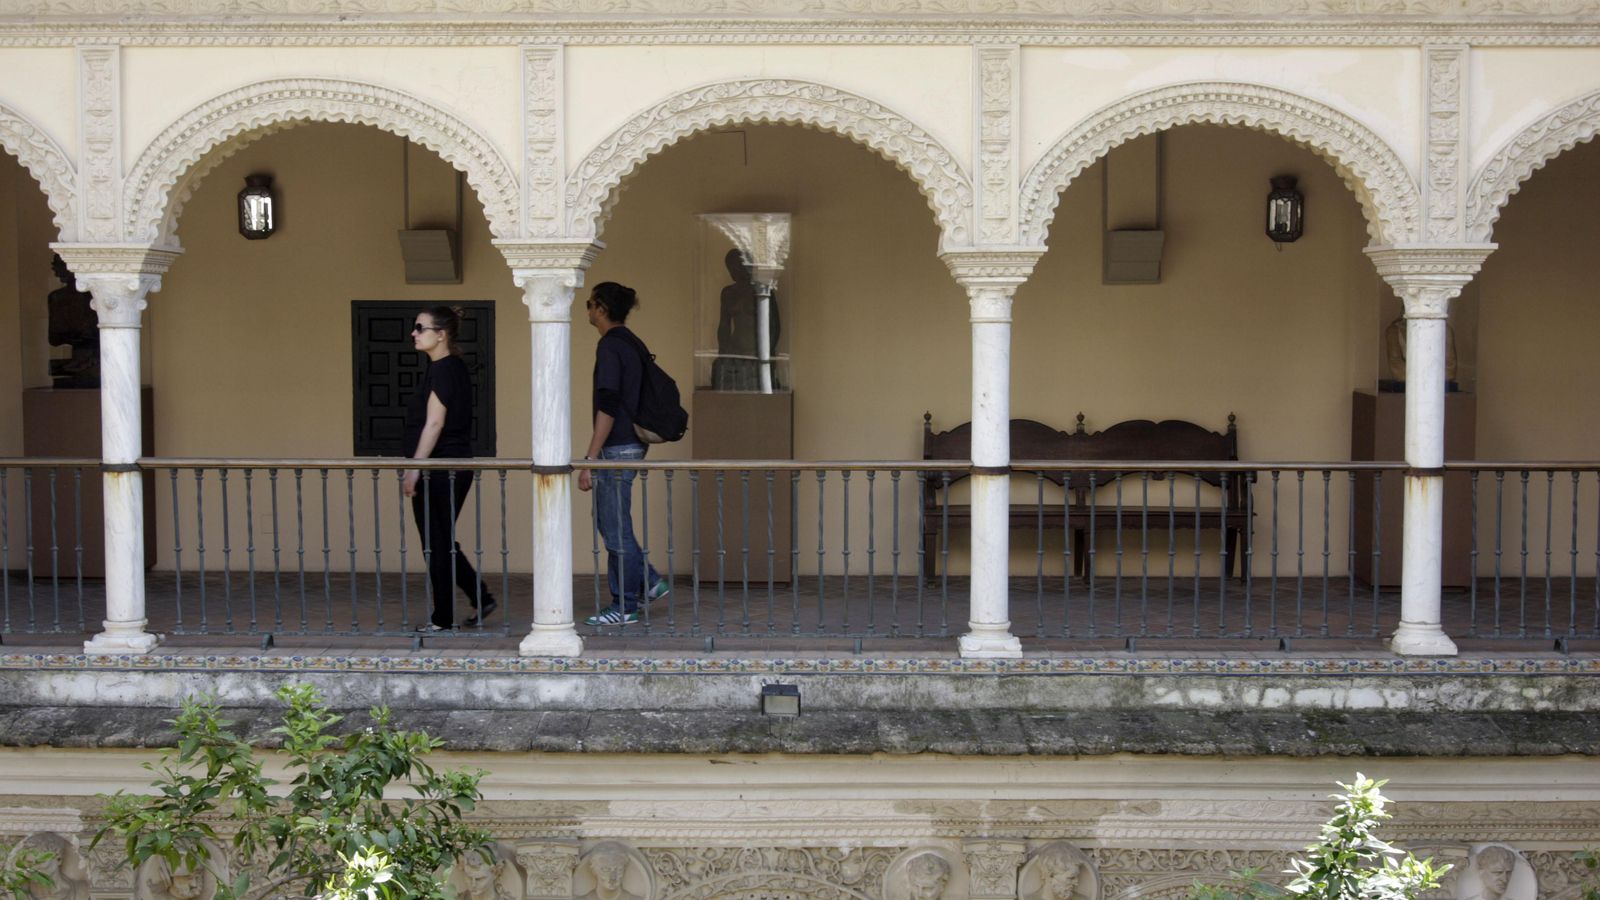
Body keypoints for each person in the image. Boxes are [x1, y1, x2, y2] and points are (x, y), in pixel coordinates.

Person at [578, 282, 670, 626]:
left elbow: (608, 405)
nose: (587, 310)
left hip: (616, 446)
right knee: (612, 523)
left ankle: (626, 605)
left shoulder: (611, 346)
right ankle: (648, 582)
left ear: (600, 307)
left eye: (589, 304)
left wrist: (590, 458)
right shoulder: (632, 342)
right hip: (629, 444)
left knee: (614, 528)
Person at [403, 305, 496, 632]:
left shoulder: (444, 369)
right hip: (447, 466)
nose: (413, 333)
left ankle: (442, 618)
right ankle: (479, 597)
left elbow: (435, 423)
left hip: (441, 468)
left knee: (435, 543)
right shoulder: (445, 367)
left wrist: (415, 468)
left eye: (420, 327)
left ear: (440, 334)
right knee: (440, 541)